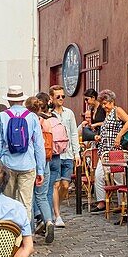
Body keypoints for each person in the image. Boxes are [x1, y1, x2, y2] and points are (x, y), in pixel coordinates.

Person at [0, 86, 46, 219]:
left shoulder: (2, 116)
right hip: (28, 164)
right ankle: (25, 236)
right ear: (22, 100)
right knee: (25, 203)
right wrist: (40, 170)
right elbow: (39, 145)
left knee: (6, 201)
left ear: (9, 101)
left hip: (7, 165)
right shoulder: (32, 117)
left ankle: (8, 234)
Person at [93, 90, 128, 213]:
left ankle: (124, 204)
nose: (104, 106)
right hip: (104, 150)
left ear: (112, 101)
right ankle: (102, 202)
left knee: (118, 177)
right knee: (99, 175)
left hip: (115, 150)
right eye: (103, 104)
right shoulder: (107, 114)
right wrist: (99, 136)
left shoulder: (117, 110)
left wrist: (119, 136)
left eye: (106, 103)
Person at [49, 86, 80, 228]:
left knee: (65, 185)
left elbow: (74, 133)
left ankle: (56, 207)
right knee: (55, 184)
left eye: (62, 96)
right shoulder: (49, 114)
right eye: (58, 96)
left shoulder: (69, 113)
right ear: (52, 98)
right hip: (55, 154)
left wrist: (76, 153)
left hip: (67, 153)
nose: (61, 99)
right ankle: (57, 215)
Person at [26, 95, 55, 244]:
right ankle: (49, 221)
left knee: (29, 198)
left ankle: (30, 231)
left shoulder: (26, 121)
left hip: (31, 161)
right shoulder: (45, 122)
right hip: (45, 161)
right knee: (42, 196)